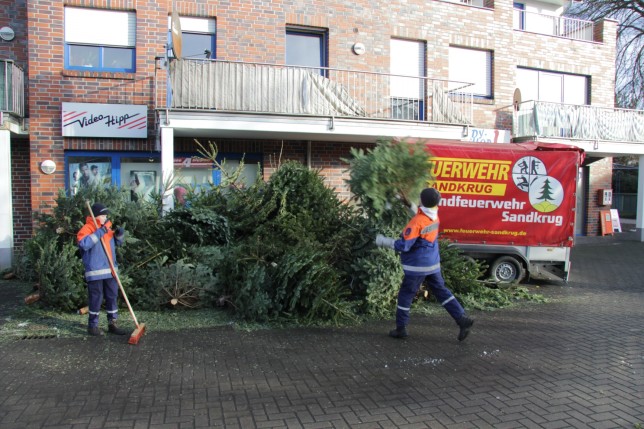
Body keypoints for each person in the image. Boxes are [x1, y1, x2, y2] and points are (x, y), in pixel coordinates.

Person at [375, 188, 474, 341]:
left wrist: (382, 241)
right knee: (441, 291)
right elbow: (422, 218)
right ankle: (462, 319)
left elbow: (404, 245)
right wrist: (408, 204)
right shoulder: (434, 217)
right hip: (433, 265)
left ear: (422, 201)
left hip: (416, 267)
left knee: (405, 295)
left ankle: (401, 329)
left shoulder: (416, 222)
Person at [77, 203, 128, 336]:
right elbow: (84, 244)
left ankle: (113, 324)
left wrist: (119, 234)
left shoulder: (107, 229)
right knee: (96, 298)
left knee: (112, 297)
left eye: (106, 215)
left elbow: (119, 243)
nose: (106, 218)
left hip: (110, 271)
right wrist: (100, 231)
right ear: (96, 216)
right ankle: (92, 326)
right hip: (95, 272)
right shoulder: (87, 228)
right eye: (103, 215)